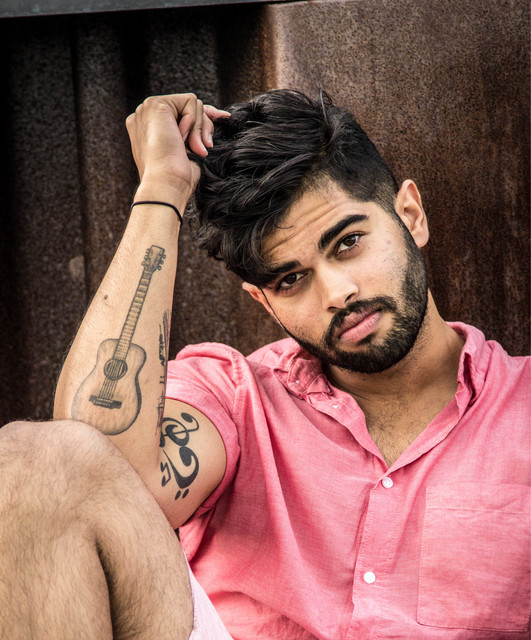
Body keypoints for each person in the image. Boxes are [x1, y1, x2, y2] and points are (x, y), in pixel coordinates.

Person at [0, 90, 528, 639]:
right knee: (32, 462)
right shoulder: (234, 399)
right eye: (291, 279)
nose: (337, 293)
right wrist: (162, 189)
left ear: (410, 216)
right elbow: (90, 472)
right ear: (264, 301)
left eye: (348, 242)